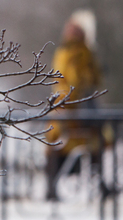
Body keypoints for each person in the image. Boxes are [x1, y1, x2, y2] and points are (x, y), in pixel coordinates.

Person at [45, 15, 102, 201]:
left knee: (92, 144)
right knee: (58, 145)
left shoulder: (81, 53)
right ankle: (52, 188)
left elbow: (90, 78)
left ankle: (99, 184)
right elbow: (68, 80)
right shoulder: (69, 53)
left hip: (76, 108)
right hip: (69, 108)